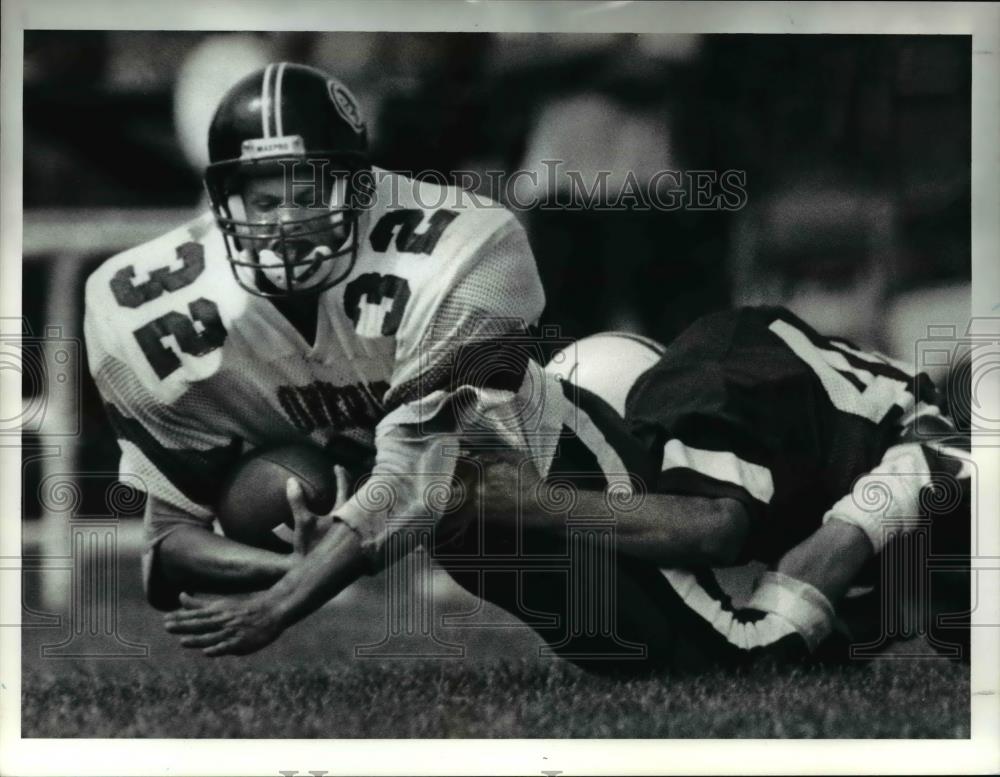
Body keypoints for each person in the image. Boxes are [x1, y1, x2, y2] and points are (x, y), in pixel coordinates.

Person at [85, 62, 744, 623]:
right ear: (223, 203)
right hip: (415, 499)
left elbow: (423, 477)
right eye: (263, 201)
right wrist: (290, 561)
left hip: (511, 477)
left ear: (359, 187)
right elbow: (168, 547)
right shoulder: (159, 310)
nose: (286, 222)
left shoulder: (462, 247)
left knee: (642, 598)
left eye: (307, 191)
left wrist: (306, 583)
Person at [162, 308, 971, 671]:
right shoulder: (718, 386)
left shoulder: (921, 479)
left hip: (892, 453)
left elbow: (743, 545)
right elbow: (727, 533)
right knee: (708, 644)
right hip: (819, 429)